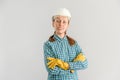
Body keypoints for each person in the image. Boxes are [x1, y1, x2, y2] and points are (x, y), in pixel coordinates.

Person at [43, 8, 88, 80]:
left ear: (68, 25)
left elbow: (84, 63)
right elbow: (51, 69)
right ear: (53, 23)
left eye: (64, 22)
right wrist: (72, 69)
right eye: (58, 21)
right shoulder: (48, 45)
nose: (60, 24)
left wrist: (65, 65)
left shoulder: (74, 44)